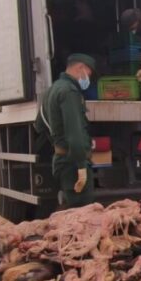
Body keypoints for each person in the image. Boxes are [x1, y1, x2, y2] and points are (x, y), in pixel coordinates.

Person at [34, 53, 96, 208]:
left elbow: (39, 125)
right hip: (73, 164)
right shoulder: (69, 92)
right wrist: (81, 165)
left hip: (62, 160)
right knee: (82, 215)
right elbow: (75, 133)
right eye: (88, 74)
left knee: (71, 209)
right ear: (80, 68)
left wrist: (58, 143)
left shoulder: (52, 90)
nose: (88, 78)